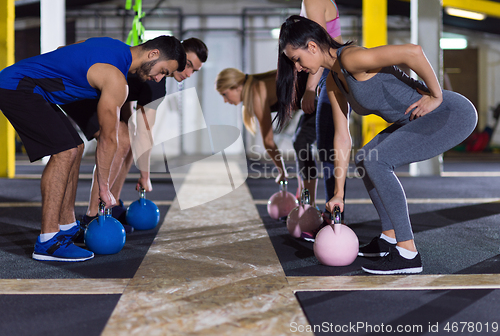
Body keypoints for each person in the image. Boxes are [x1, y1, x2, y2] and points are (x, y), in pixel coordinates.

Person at [276, 15, 477, 274]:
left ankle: (407, 253)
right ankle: (389, 237)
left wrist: (436, 95)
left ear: (312, 47)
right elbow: (342, 137)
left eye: (297, 59)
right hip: (416, 120)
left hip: (449, 113)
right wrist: (338, 193)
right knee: (365, 157)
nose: (298, 67)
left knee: (376, 159)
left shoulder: (351, 58)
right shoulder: (335, 80)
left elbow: (412, 52)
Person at [0, 35, 186, 262]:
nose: (158, 79)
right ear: (153, 54)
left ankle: (67, 227)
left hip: (33, 87)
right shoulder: (117, 80)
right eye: (163, 71)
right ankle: (48, 241)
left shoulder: (114, 46)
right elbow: (109, 139)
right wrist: (105, 189)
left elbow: (63, 49)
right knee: (65, 151)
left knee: (75, 147)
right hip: (18, 86)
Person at [61, 38, 208, 228]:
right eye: (187, 64)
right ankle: (93, 215)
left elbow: (128, 107)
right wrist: (145, 176)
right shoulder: (153, 77)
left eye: (193, 70)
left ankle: (112, 203)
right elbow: (145, 133)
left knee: (128, 136)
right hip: (79, 91)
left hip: (97, 94)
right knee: (122, 139)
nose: (188, 73)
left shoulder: (154, 77)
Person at [269, 0, 343, 215]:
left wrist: (311, 89)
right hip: (328, 80)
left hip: (331, 81)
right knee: (305, 141)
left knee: (326, 148)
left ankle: (334, 213)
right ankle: (310, 199)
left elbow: (318, 50)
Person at [215, 68, 319, 206]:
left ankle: (310, 204)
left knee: (302, 143)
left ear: (236, 87)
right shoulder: (256, 86)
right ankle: (305, 199)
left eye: (225, 94)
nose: (225, 100)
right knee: (300, 143)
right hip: (313, 103)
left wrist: (282, 172)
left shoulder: (255, 91)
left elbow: (268, 141)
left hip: (322, 95)